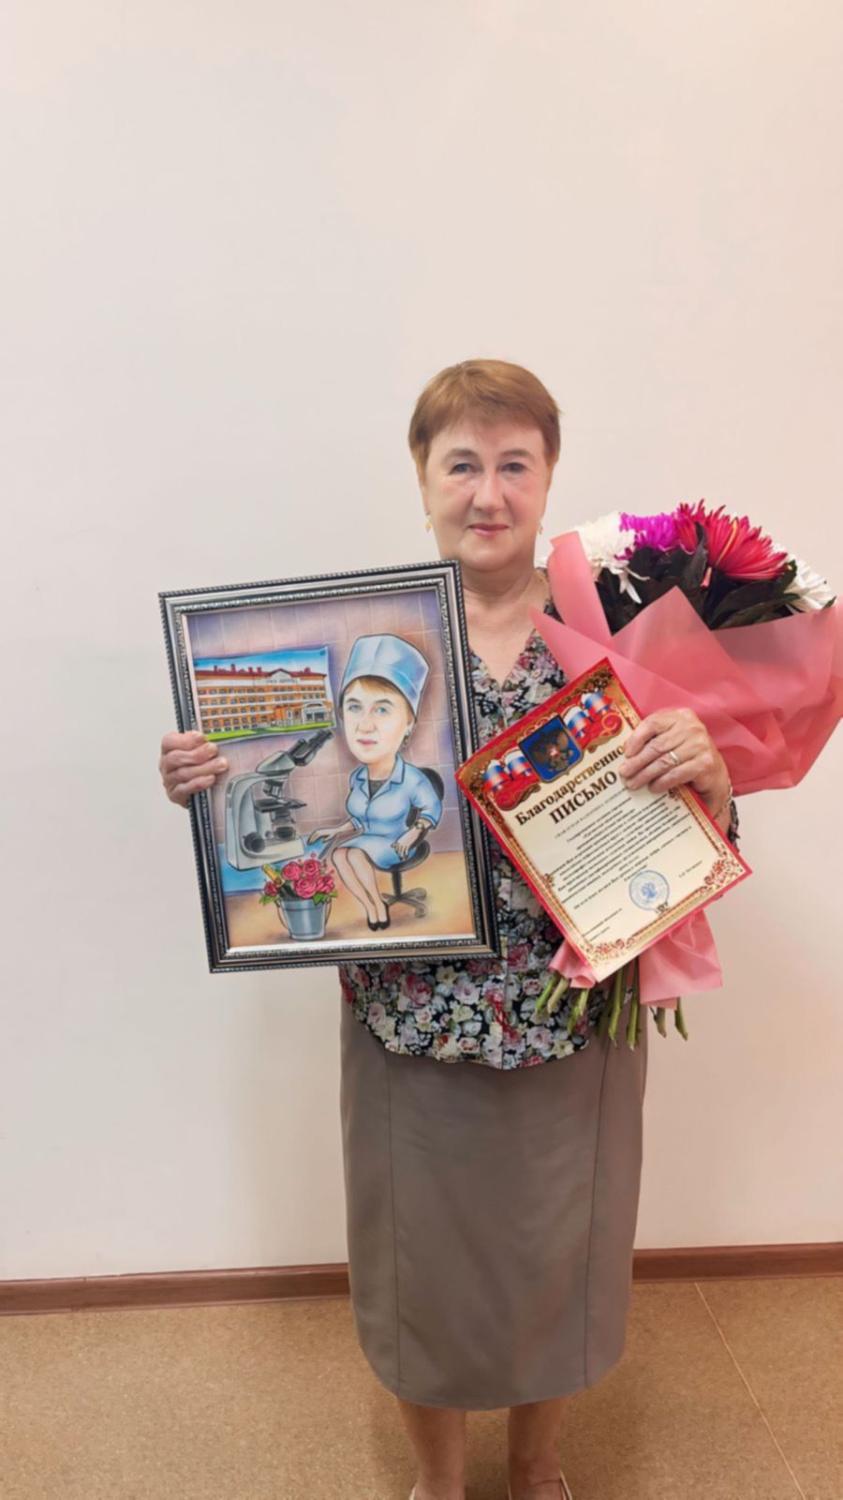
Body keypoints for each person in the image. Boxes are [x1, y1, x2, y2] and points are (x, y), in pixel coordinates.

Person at [159, 360, 738, 1500]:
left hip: (573, 1013)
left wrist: (710, 773)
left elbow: (692, 828)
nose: (488, 492)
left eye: (514, 464)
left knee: (556, 1256)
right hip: (410, 1019)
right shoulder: (357, 638)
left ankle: (536, 1463)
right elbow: (286, 791)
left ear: (549, 477)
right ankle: (438, 1478)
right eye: (461, 463)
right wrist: (210, 777)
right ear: (422, 479)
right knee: (417, 1268)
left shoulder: (611, 629)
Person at [306, 633, 443, 930]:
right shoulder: (358, 777)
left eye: (382, 709)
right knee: (339, 854)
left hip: (396, 843)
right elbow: (360, 819)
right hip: (367, 839)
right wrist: (334, 831)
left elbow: (431, 808)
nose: (365, 725)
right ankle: (372, 905)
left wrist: (413, 834)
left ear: (409, 722)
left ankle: (378, 906)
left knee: (353, 854)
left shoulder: (412, 778)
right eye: (354, 707)